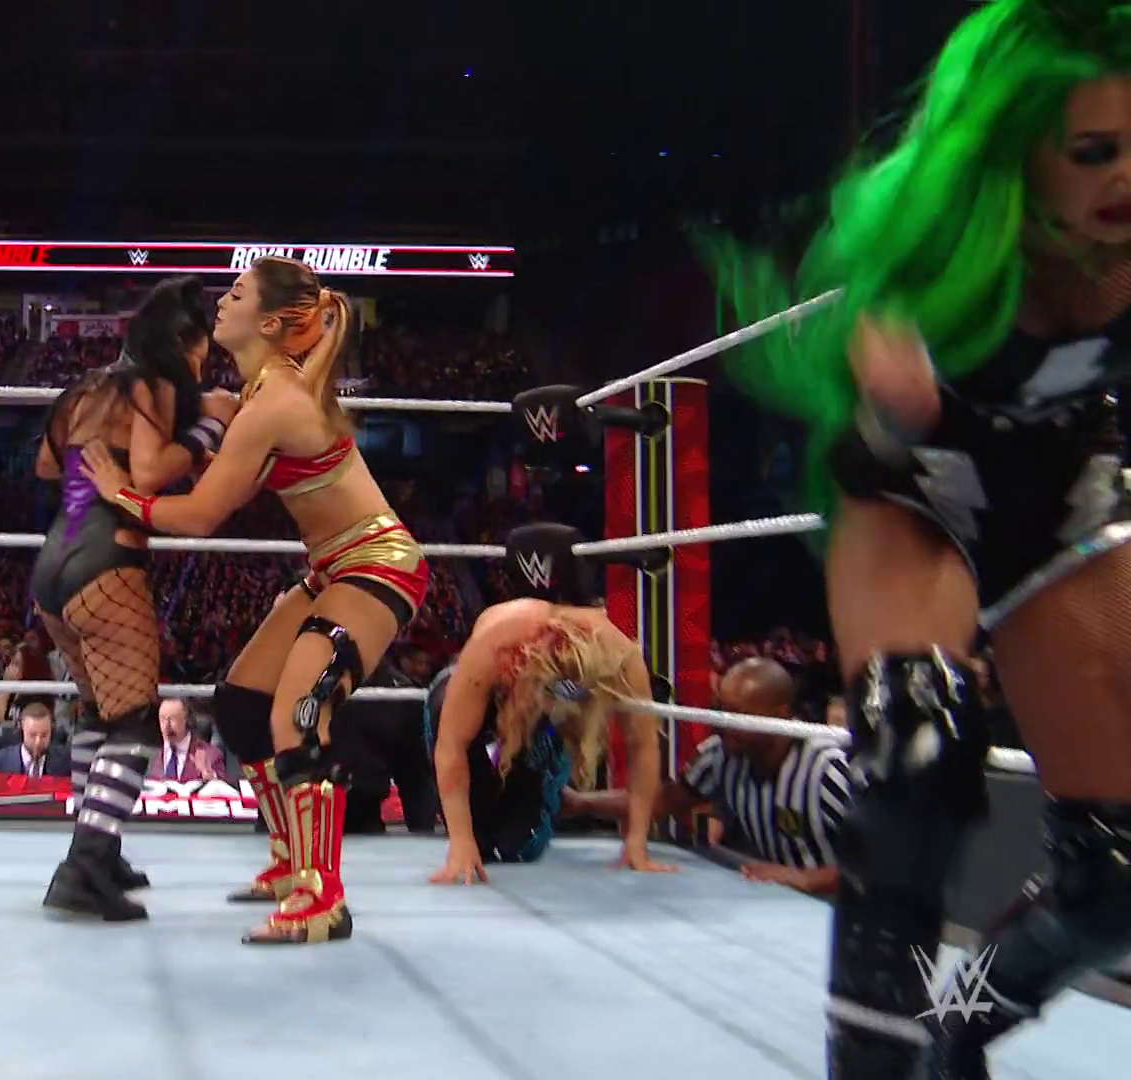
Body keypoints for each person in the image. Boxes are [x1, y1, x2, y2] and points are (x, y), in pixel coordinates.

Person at [704, 2, 1131, 1073]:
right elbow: (878, 412)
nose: (1125, 178)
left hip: (1062, 494)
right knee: (915, 752)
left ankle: (959, 1028)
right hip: (917, 493)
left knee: (1116, 878)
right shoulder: (943, 253)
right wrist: (900, 408)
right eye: (1094, 152)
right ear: (1017, 152)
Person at [81, 256, 425, 945]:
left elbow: (202, 515)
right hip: (333, 569)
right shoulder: (261, 394)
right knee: (241, 705)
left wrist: (121, 495)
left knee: (300, 712)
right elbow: (225, 478)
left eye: (236, 293)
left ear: (268, 322)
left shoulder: (275, 404)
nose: (221, 300)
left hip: (378, 566)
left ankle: (323, 900)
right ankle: (290, 862)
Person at [29, 274, 231, 921]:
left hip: (54, 561)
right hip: (106, 564)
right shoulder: (154, 384)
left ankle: (100, 846)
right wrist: (208, 428)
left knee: (97, 712)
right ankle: (85, 868)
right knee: (137, 721)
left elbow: (46, 465)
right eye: (199, 353)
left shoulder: (87, 387)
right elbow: (145, 474)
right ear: (180, 344)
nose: (201, 367)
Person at [426, 599, 666, 882]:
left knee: (517, 848)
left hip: (547, 719)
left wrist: (637, 840)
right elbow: (451, 743)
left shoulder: (622, 659)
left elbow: (643, 745)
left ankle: (546, 791)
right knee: (473, 838)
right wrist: (461, 840)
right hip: (488, 692)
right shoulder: (498, 643)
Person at [566, 657, 850, 894]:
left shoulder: (827, 770)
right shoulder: (722, 755)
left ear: (779, 715)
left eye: (738, 714)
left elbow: (877, 857)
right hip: (783, 902)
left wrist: (807, 879)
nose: (725, 724)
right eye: (720, 711)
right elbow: (663, 800)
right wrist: (582, 803)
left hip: (842, 910)